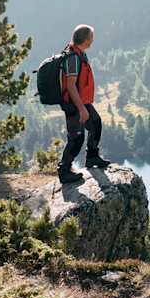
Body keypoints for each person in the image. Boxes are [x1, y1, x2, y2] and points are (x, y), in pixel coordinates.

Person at [58, 24, 110, 184]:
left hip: (82, 101)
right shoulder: (73, 58)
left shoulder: (80, 54)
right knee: (76, 138)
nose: (93, 40)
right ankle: (64, 171)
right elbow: (70, 85)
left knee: (95, 123)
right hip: (73, 104)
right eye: (91, 37)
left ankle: (92, 157)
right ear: (86, 39)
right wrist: (81, 108)